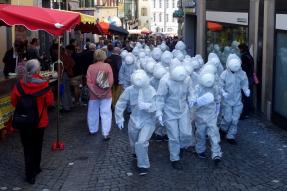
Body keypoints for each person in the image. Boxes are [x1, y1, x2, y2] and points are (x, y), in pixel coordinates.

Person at [11, 59, 54, 184]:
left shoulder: (19, 84)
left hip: (24, 120)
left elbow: (14, 101)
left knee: (27, 147)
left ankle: (29, 174)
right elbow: (50, 102)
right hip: (40, 120)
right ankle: (36, 167)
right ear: (37, 70)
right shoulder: (44, 84)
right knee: (38, 144)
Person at [115, 70, 156, 176]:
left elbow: (157, 105)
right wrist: (119, 118)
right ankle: (135, 152)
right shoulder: (129, 90)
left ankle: (143, 165)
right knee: (133, 140)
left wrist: (147, 106)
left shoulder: (151, 90)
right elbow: (121, 102)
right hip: (134, 119)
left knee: (141, 142)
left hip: (148, 120)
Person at [156, 59, 194, 170]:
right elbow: (160, 97)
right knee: (174, 136)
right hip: (169, 111)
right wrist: (159, 112)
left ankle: (181, 146)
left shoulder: (187, 78)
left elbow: (191, 92)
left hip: (183, 109)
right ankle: (175, 158)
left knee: (186, 133)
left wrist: (192, 99)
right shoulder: (165, 80)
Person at [191, 71, 222, 163]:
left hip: (211, 115)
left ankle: (216, 153)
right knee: (200, 133)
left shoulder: (214, 87)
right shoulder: (197, 88)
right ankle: (200, 150)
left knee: (214, 133)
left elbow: (217, 100)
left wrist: (217, 111)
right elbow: (193, 101)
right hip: (200, 115)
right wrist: (199, 101)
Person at [220, 54, 250, 145]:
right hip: (227, 100)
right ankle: (223, 129)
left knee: (235, 119)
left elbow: (244, 83)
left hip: (237, 100)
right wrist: (223, 92)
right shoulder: (224, 74)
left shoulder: (242, 73)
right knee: (227, 119)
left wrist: (246, 90)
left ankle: (231, 136)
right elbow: (220, 85)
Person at [86, 49, 114, 140]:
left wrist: (95, 93)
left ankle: (92, 129)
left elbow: (88, 82)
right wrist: (105, 92)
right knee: (106, 113)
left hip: (94, 95)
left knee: (92, 112)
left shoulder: (90, 67)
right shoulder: (107, 66)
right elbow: (111, 81)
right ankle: (105, 133)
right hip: (106, 94)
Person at [238, 43, 254, 119]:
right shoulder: (250, 56)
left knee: (245, 96)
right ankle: (249, 110)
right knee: (248, 95)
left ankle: (245, 112)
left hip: (246, 78)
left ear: (242, 49)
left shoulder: (244, 57)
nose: (239, 50)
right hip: (250, 77)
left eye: (239, 49)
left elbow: (243, 69)